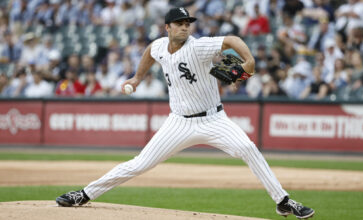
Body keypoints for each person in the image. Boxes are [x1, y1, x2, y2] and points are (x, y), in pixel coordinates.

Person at [56, 7, 315, 219]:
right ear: (167, 27)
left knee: (247, 149)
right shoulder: (159, 46)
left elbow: (232, 40)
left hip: (213, 119)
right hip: (178, 123)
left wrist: (248, 61)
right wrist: (136, 78)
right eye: (179, 23)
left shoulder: (198, 47)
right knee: (139, 164)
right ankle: (85, 194)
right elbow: (149, 52)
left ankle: (282, 201)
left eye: (187, 23)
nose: (184, 27)